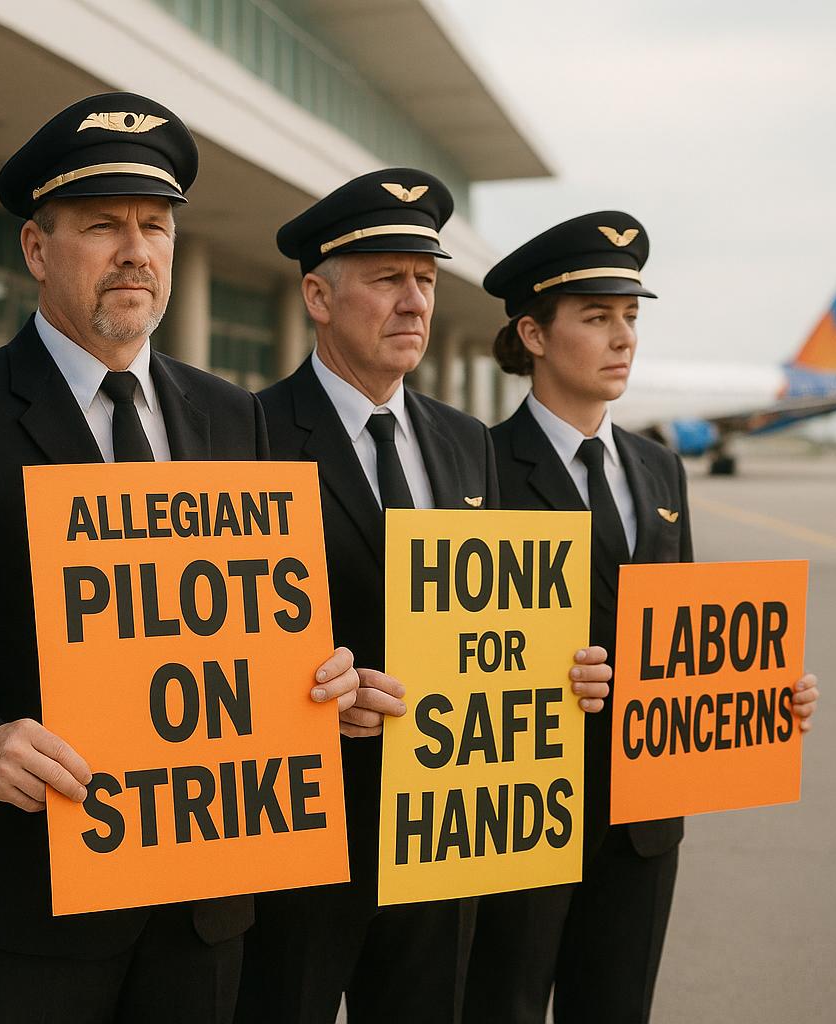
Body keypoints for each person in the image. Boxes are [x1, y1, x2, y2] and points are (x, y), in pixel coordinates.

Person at [0, 92, 359, 1024]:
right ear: (36, 248)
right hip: (23, 904)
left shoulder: (231, 416)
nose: (136, 250)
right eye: (102, 225)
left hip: (202, 903)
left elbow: (260, 626)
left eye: (155, 226)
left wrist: (321, 676)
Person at [236, 170, 615, 1023]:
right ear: (318, 297)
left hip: (444, 837)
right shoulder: (249, 433)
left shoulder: (466, 442)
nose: (415, 302)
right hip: (305, 838)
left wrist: (563, 671)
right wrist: (312, 693)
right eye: (387, 279)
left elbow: (498, 618)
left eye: (426, 280)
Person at [461, 211, 820, 1023]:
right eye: (597, 318)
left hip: (645, 819)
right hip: (521, 813)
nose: (624, 337)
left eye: (630, 317)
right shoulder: (478, 466)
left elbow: (679, 630)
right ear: (534, 335)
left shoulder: (660, 469)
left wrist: (764, 690)